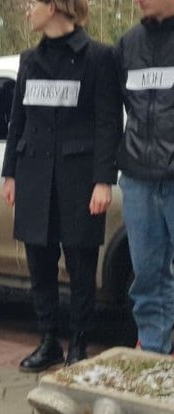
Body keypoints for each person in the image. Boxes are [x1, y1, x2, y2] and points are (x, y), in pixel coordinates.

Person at [1, 0, 122, 371]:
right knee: (40, 264)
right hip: (34, 174)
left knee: (81, 267)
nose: (26, 9)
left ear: (54, 7)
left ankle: (79, 345)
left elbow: (108, 124)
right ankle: (48, 341)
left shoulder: (99, 57)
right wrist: (11, 173)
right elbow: (17, 120)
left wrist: (104, 180)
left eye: (32, 3)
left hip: (79, 179)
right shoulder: (29, 60)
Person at [116, 0, 174, 355]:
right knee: (148, 277)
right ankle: (155, 353)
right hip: (138, 178)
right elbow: (121, 107)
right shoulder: (128, 43)